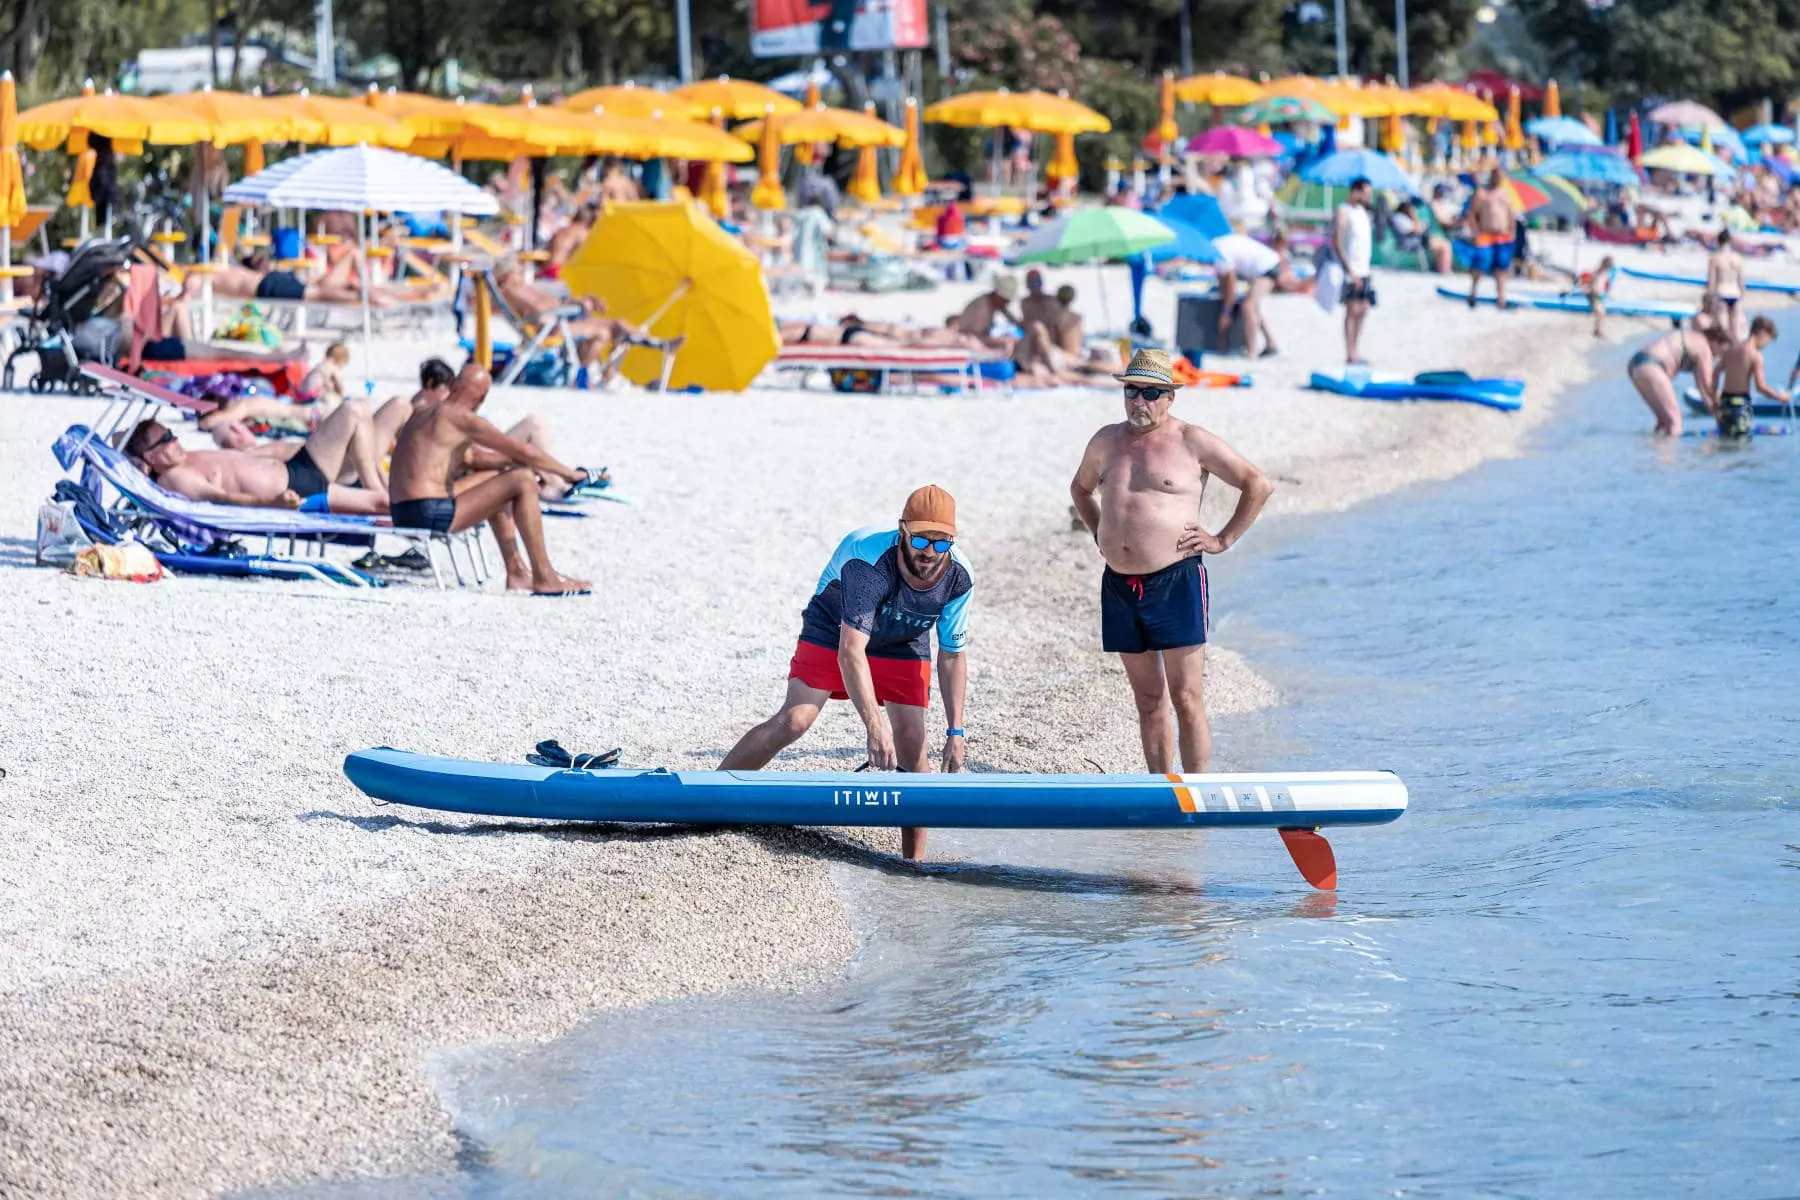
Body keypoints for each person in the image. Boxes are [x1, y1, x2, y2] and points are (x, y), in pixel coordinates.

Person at [719, 485, 971, 862]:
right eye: (920, 539)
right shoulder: (868, 560)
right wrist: (874, 726)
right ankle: (710, 794)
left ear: (952, 540)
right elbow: (851, 650)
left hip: (904, 635)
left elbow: (952, 656)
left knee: (914, 745)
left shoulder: (960, 577)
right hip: (835, 623)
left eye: (940, 544)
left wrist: (956, 733)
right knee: (795, 720)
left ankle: (913, 869)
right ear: (902, 529)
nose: (928, 553)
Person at [1068, 349, 1273, 773]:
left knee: (1186, 698)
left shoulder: (1191, 441)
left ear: (1170, 397)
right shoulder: (1105, 440)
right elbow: (1080, 490)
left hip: (1176, 580)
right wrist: (1100, 533)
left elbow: (1257, 484)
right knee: (1148, 700)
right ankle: (1163, 793)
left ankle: (1198, 795)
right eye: (1131, 391)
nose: (1139, 401)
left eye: (1150, 392)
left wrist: (1223, 539)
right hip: (1120, 585)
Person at [387, 366, 592, 595]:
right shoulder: (463, 418)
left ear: (453, 384)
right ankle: (545, 577)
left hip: (401, 512)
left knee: (499, 481)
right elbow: (526, 451)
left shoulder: (424, 413)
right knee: (523, 480)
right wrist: (572, 474)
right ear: (482, 398)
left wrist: (518, 465)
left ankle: (518, 572)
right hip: (427, 512)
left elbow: (473, 458)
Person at [122, 397, 391, 515]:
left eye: (171, 433)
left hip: (297, 471)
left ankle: (384, 493)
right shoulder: (175, 477)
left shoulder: (181, 460)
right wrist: (272, 503)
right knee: (354, 410)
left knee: (361, 410)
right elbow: (221, 498)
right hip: (292, 491)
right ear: (151, 456)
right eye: (166, 439)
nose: (176, 439)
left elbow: (118, 439)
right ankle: (381, 490)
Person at [493, 255, 682, 388]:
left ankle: (650, 347)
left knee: (617, 324)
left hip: (559, 322)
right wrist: (574, 306)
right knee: (603, 332)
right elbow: (541, 311)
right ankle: (590, 374)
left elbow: (550, 303)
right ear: (508, 274)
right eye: (517, 269)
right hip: (550, 329)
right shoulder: (511, 291)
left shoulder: (523, 288)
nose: (520, 273)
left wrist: (583, 300)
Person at [1626, 323, 1727, 437]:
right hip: (1653, 366)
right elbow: (1707, 386)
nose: (1716, 357)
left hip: (1636, 364)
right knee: (1675, 423)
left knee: (1664, 423)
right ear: (1716, 342)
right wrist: (1722, 415)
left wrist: (1715, 415)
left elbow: (1702, 388)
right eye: (1720, 352)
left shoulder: (1693, 337)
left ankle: (1655, 452)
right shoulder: (1704, 347)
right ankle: (1672, 454)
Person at [1714, 316, 1789, 439]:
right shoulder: (1755, 356)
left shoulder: (1730, 349)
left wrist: (1714, 396)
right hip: (1741, 404)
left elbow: (1715, 372)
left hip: (1724, 402)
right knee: (1742, 444)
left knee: (1725, 440)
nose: (1765, 346)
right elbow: (1761, 387)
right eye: (1768, 341)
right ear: (1762, 334)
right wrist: (1781, 398)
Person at [1210, 232, 1282, 358]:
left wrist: (1226, 312)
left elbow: (1231, 283)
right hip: (1267, 265)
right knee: (1254, 308)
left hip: (1268, 267)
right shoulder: (1218, 245)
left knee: (1248, 307)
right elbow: (1224, 281)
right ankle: (1271, 344)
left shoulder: (1219, 252)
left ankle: (1252, 351)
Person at [1331, 178, 1375, 365]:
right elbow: (1337, 242)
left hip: (1364, 268)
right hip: (1351, 269)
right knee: (1352, 309)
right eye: (1365, 193)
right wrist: (1349, 270)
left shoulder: (1362, 212)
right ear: (1355, 191)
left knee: (1364, 308)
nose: (1368, 197)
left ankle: (1356, 349)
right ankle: (1350, 352)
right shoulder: (1343, 211)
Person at [1466, 170, 1518, 309]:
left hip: (1503, 236)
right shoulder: (1482, 193)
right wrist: (1475, 231)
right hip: (1486, 234)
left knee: (1501, 268)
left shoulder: (1506, 194)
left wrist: (1512, 232)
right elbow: (1471, 214)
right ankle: (1473, 292)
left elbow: (1511, 214)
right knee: (1480, 264)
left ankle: (1501, 298)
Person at [952, 275, 1023, 349]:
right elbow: (977, 336)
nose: (1007, 304)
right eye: (1006, 301)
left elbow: (1008, 315)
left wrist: (1022, 325)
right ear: (998, 296)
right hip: (969, 341)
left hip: (974, 338)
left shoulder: (993, 302)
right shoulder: (983, 308)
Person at [1705, 229, 1746, 329]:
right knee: (1735, 331)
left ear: (1718, 242)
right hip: (1735, 294)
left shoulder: (1715, 258)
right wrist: (1742, 297)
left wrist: (1708, 301)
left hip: (1721, 294)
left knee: (1724, 330)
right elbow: (1741, 281)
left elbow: (1712, 282)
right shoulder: (1738, 258)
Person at [297, 341, 351, 406]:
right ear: (341, 359)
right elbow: (340, 387)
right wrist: (341, 397)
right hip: (314, 398)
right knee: (334, 398)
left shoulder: (319, 366)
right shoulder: (333, 367)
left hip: (302, 397)